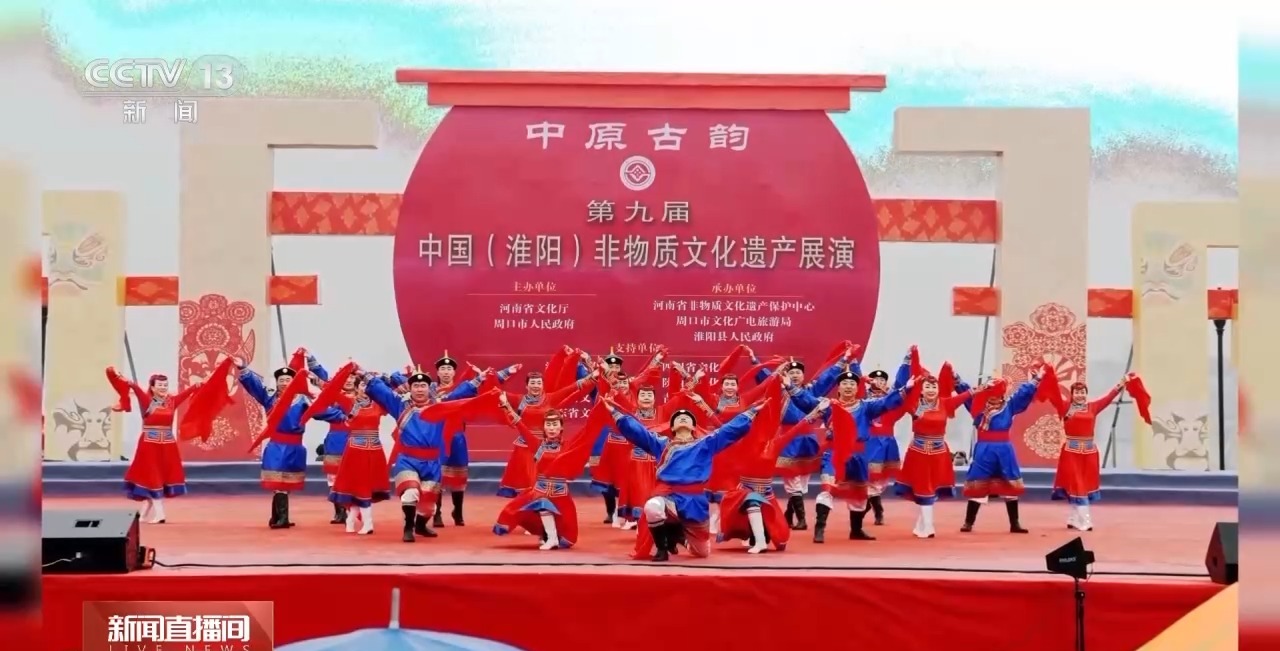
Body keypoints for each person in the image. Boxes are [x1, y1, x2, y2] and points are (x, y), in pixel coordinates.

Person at [603, 395, 772, 562]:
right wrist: (615, 413)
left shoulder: (705, 444)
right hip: (669, 495)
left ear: (693, 427)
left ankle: (679, 536)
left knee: (701, 552)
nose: (682, 418)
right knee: (652, 507)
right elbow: (639, 432)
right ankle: (662, 549)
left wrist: (751, 412)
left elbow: (728, 430)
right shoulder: (662, 445)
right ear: (672, 427)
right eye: (678, 418)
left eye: (687, 418)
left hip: (695, 501)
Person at [798, 370, 915, 542]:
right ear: (838, 388)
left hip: (859, 455)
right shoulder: (828, 406)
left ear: (857, 388)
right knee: (828, 488)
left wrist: (906, 389)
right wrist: (788, 386)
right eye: (845, 384)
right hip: (836, 453)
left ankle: (856, 530)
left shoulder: (866, 407)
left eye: (852, 384)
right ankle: (819, 528)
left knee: (859, 493)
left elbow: (886, 402)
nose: (848, 387)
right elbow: (807, 401)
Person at [746, 345, 850, 532]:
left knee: (802, 481)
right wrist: (754, 360)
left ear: (803, 375)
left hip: (808, 440)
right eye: (791, 372)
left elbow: (828, 377)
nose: (794, 375)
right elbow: (765, 377)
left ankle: (789, 513)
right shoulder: (780, 390)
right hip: (788, 439)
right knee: (792, 480)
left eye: (798, 372)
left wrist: (844, 360)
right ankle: (801, 519)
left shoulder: (812, 391)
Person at [239, 356, 348, 529]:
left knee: (285, 484)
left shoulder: (302, 400)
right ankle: (280, 519)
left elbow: (321, 411)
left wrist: (344, 417)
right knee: (278, 483)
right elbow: (255, 385)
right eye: (281, 380)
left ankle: (278, 517)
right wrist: (243, 369)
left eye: (288, 380)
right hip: (276, 446)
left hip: (295, 446)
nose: (284, 383)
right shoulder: (269, 398)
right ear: (277, 382)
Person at [492, 396, 605, 550]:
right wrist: (507, 407)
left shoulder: (568, 446)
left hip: (560, 494)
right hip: (540, 490)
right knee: (538, 504)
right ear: (544, 428)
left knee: (567, 535)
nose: (552, 428)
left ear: (561, 428)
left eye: (555, 425)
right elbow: (520, 424)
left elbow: (587, 431)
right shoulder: (537, 445)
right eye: (548, 425)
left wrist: (601, 407)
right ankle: (551, 538)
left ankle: (550, 535)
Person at [719, 381, 816, 554]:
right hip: (743, 490)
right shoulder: (741, 441)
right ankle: (759, 541)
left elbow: (795, 430)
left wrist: (814, 414)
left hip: (766, 492)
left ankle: (760, 536)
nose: (760, 422)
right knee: (750, 501)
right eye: (756, 418)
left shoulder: (775, 443)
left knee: (778, 537)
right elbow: (723, 429)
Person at [1042, 366, 1135, 532]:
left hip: (1090, 454)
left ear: (1086, 393)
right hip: (1071, 453)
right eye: (1077, 392)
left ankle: (1073, 518)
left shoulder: (1093, 407)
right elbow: (1053, 394)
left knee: (1082, 486)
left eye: (1082, 392)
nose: (1080, 395)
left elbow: (1109, 397)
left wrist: (1122, 383)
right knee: (1077, 486)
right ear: (1072, 394)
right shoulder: (1065, 407)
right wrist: (1045, 378)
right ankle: (1085, 521)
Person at [364, 366, 451, 542]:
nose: (419, 389)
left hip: (432, 463)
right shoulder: (400, 405)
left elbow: (462, 396)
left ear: (429, 388)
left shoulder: (441, 406)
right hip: (408, 460)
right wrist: (362, 373)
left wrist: (479, 381)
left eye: (423, 386)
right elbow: (381, 391)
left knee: (429, 506)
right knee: (410, 493)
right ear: (409, 389)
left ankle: (420, 525)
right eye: (416, 386)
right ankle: (408, 527)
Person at [107, 368, 202, 523]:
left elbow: (186, 394)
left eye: (165, 385)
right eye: (160, 385)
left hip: (168, 446)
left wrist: (197, 386)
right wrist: (122, 379)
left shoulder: (171, 402)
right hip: (149, 445)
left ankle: (147, 515)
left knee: (159, 478)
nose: (163, 388)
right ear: (152, 387)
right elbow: (134, 387)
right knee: (152, 478)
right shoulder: (146, 401)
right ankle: (157, 514)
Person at [496, 358, 599, 498]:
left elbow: (572, 388)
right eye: (532, 383)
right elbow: (493, 391)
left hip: (544, 448)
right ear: (526, 386)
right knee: (526, 488)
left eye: (539, 383)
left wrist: (591, 376)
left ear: (543, 385)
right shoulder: (518, 400)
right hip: (524, 448)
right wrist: (506, 372)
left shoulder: (551, 398)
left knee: (541, 487)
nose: (536, 386)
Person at [896, 363, 977, 538]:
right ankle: (929, 526)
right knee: (923, 488)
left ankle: (920, 525)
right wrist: (907, 380)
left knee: (930, 489)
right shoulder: (914, 404)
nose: (931, 390)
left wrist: (980, 386)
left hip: (939, 453)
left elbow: (967, 394)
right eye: (927, 387)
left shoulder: (945, 403)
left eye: (934, 387)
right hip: (918, 453)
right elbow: (899, 398)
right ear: (921, 389)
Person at [588, 348, 666, 527]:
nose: (614, 369)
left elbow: (646, 375)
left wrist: (657, 359)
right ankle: (612, 512)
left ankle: (629, 513)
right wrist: (593, 365)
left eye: (617, 366)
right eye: (611, 367)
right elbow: (603, 386)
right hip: (614, 442)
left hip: (631, 444)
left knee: (630, 481)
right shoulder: (610, 392)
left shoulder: (634, 392)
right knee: (609, 480)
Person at [956, 371, 1040, 533]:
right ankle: (968, 522)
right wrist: (956, 379)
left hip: (1004, 450)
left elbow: (1023, 393)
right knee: (978, 482)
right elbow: (965, 393)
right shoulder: (978, 405)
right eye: (990, 392)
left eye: (995, 392)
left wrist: (1037, 379)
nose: (992, 396)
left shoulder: (1009, 405)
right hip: (984, 449)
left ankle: (1014, 523)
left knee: (1010, 483)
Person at [428, 352, 498, 528]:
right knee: (437, 475)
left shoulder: (462, 389)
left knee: (459, 475)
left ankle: (457, 511)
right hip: (438, 436)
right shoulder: (431, 391)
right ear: (437, 372)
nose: (446, 372)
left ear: (454, 372)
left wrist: (482, 378)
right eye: (443, 368)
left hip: (457, 436)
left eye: (449, 369)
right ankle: (437, 513)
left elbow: (474, 396)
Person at [320, 371, 391, 535]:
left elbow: (390, 392)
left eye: (367, 385)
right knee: (356, 486)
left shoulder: (378, 404)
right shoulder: (349, 402)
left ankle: (353, 520)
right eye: (362, 385)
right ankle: (365, 522)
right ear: (357, 387)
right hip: (355, 450)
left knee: (366, 486)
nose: (365, 388)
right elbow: (331, 391)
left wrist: (380, 377)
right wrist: (314, 380)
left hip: (374, 451)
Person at [859, 349, 914, 526]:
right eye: (876, 379)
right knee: (869, 478)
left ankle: (875, 508)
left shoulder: (890, 401)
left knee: (881, 480)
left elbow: (900, 386)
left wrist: (906, 362)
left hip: (887, 442)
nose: (879, 382)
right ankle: (874, 510)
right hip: (869, 442)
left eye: (883, 380)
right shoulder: (863, 400)